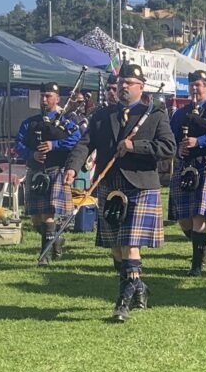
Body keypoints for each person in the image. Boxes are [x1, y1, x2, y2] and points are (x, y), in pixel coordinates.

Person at [64, 63, 175, 322]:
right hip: (109, 184)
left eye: (129, 82)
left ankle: (122, 303)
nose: (124, 86)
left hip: (141, 186)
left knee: (129, 246)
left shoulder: (155, 113)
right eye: (121, 81)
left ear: (141, 86)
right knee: (116, 249)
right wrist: (72, 166)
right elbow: (85, 143)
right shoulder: (102, 115)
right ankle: (138, 286)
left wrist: (134, 146)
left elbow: (168, 147)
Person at [169, 70, 206, 276]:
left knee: (198, 216)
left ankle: (196, 266)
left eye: (199, 85)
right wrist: (178, 148)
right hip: (184, 165)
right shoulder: (181, 112)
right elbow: (169, 136)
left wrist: (199, 141)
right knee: (183, 219)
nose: (195, 89)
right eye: (192, 85)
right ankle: (203, 247)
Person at [15, 82, 81, 265]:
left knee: (48, 214)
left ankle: (44, 256)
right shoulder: (29, 122)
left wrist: (55, 145)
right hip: (35, 171)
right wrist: (32, 154)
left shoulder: (66, 122)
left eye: (49, 96)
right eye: (43, 96)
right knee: (36, 218)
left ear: (57, 98)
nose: (44, 99)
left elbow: (77, 140)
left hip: (54, 171)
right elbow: (18, 144)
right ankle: (55, 239)